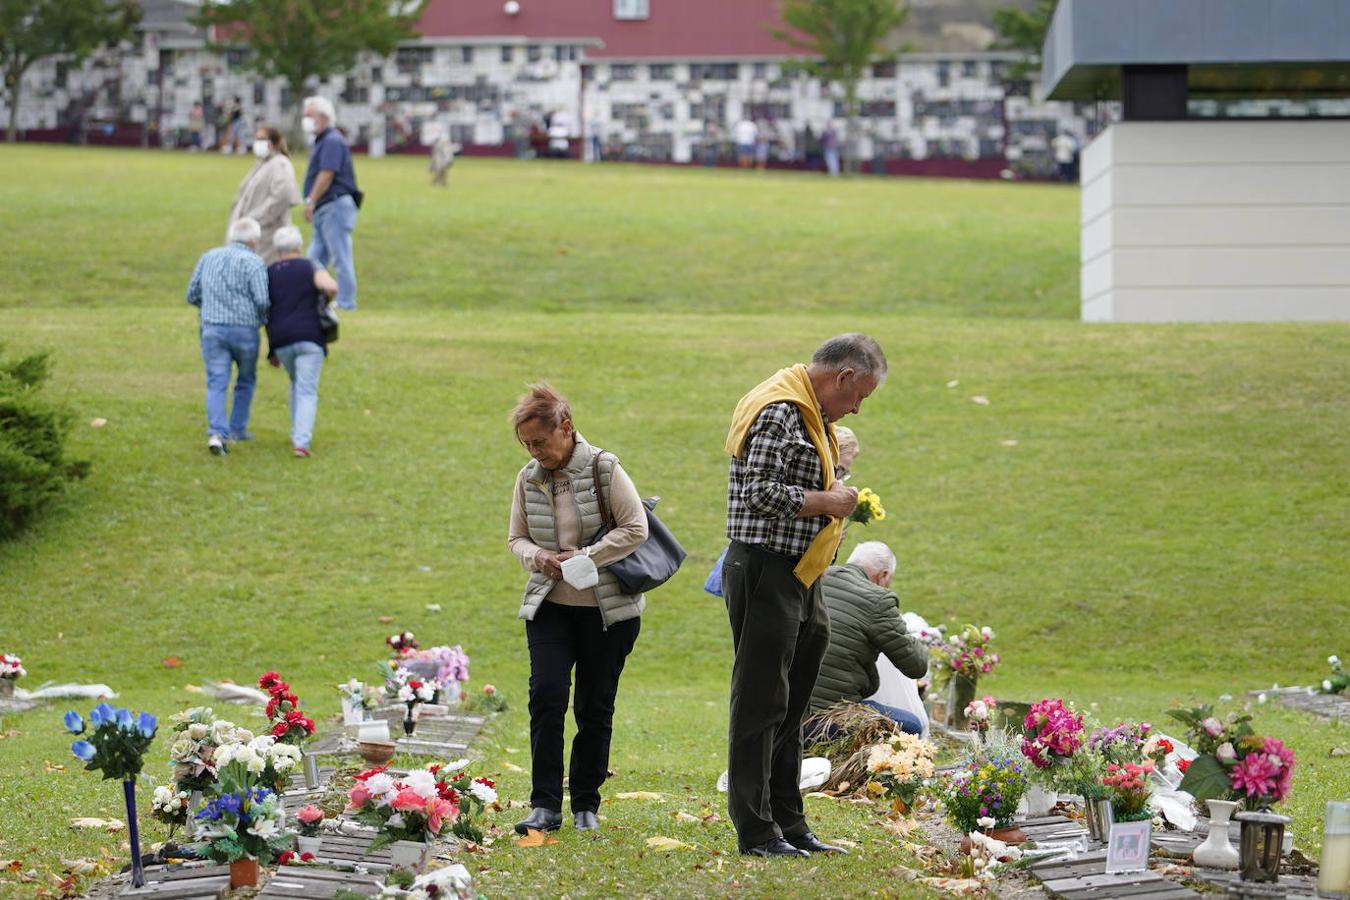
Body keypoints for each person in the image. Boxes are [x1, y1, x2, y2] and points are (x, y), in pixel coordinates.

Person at [722, 333, 887, 857]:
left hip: (803, 573)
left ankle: (791, 825)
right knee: (760, 703)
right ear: (841, 377)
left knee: (794, 704)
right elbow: (759, 494)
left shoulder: (815, 417)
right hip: (765, 569)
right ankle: (755, 830)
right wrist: (830, 500)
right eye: (858, 394)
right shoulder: (779, 410)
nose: (857, 407)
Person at [506, 384, 648, 835]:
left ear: (565, 428)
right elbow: (517, 539)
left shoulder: (605, 468)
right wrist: (540, 558)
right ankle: (544, 805)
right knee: (546, 697)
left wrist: (585, 557)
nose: (534, 451)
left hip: (607, 611)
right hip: (550, 605)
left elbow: (635, 528)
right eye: (527, 444)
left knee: (594, 707)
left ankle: (586, 803)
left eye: (540, 442)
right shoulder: (527, 477)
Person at [808, 542, 929, 734]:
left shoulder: (814, 577)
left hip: (787, 707)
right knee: (911, 725)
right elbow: (917, 665)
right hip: (826, 716)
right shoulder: (877, 600)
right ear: (884, 575)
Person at [185, 217, 270, 455]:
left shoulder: (208, 257)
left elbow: (191, 294)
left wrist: (210, 307)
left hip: (212, 329)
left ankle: (216, 432)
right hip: (245, 330)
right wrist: (262, 318)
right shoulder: (254, 263)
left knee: (216, 380)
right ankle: (237, 428)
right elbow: (262, 299)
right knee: (245, 379)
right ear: (255, 240)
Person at [265, 226, 337, 458]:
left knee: (297, 383)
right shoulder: (310, 266)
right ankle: (301, 442)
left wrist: (271, 350)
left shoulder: (269, 272)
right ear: (299, 246)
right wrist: (325, 301)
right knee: (306, 388)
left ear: (277, 249)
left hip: (281, 339)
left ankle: (297, 433)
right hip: (310, 336)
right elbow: (330, 286)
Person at [301, 96, 361, 310]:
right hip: (324, 208)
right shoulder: (323, 141)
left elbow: (327, 174)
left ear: (323, 117)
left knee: (340, 256)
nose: (306, 120)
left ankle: (346, 302)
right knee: (313, 259)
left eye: (309, 115)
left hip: (333, 205)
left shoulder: (332, 141)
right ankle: (303, 297)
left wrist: (311, 200)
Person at [227, 125, 301, 265]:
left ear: (275, 143)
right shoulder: (263, 164)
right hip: (253, 234)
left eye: (262, 139)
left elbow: (283, 196)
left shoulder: (280, 163)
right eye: (256, 139)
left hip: (266, 234)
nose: (258, 143)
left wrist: (256, 219)